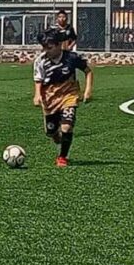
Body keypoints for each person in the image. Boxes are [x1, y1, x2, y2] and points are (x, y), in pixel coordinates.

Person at [33, 28, 93, 167]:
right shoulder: (40, 61)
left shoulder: (71, 58)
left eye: (49, 47)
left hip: (69, 96)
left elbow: (88, 71)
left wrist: (88, 90)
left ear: (59, 45)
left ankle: (62, 157)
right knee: (51, 132)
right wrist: (37, 94)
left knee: (66, 127)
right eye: (43, 47)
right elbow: (38, 80)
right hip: (50, 99)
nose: (46, 50)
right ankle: (58, 136)